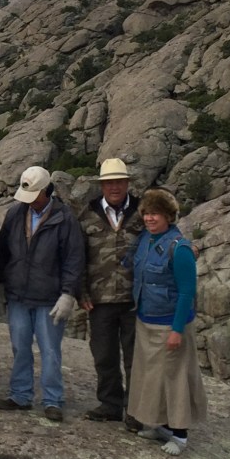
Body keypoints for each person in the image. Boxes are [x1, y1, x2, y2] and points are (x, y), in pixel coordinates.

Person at [0, 166, 84, 422]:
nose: (31, 202)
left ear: (47, 191)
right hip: (18, 294)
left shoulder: (65, 219)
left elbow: (74, 259)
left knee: (50, 350)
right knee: (20, 347)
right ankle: (20, 395)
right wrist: (0, 282)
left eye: (35, 196)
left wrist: (68, 294)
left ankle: (52, 399)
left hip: (49, 297)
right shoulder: (15, 213)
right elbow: (3, 250)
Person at [125, 188, 207, 456]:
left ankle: (180, 435)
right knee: (152, 378)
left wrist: (177, 329)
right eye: (147, 213)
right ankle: (160, 425)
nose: (149, 218)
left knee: (174, 378)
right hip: (146, 319)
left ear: (169, 217)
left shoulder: (179, 248)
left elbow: (186, 292)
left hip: (169, 324)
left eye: (156, 214)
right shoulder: (145, 240)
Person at [76, 157, 143, 427]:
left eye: (119, 182)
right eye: (109, 183)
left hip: (136, 299)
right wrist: (81, 291)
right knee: (104, 354)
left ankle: (136, 411)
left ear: (127, 184)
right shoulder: (86, 215)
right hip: (99, 298)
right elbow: (78, 256)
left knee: (136, 357)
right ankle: (110, 404)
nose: (114, 187)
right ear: (102, 186)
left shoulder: (143, 211)